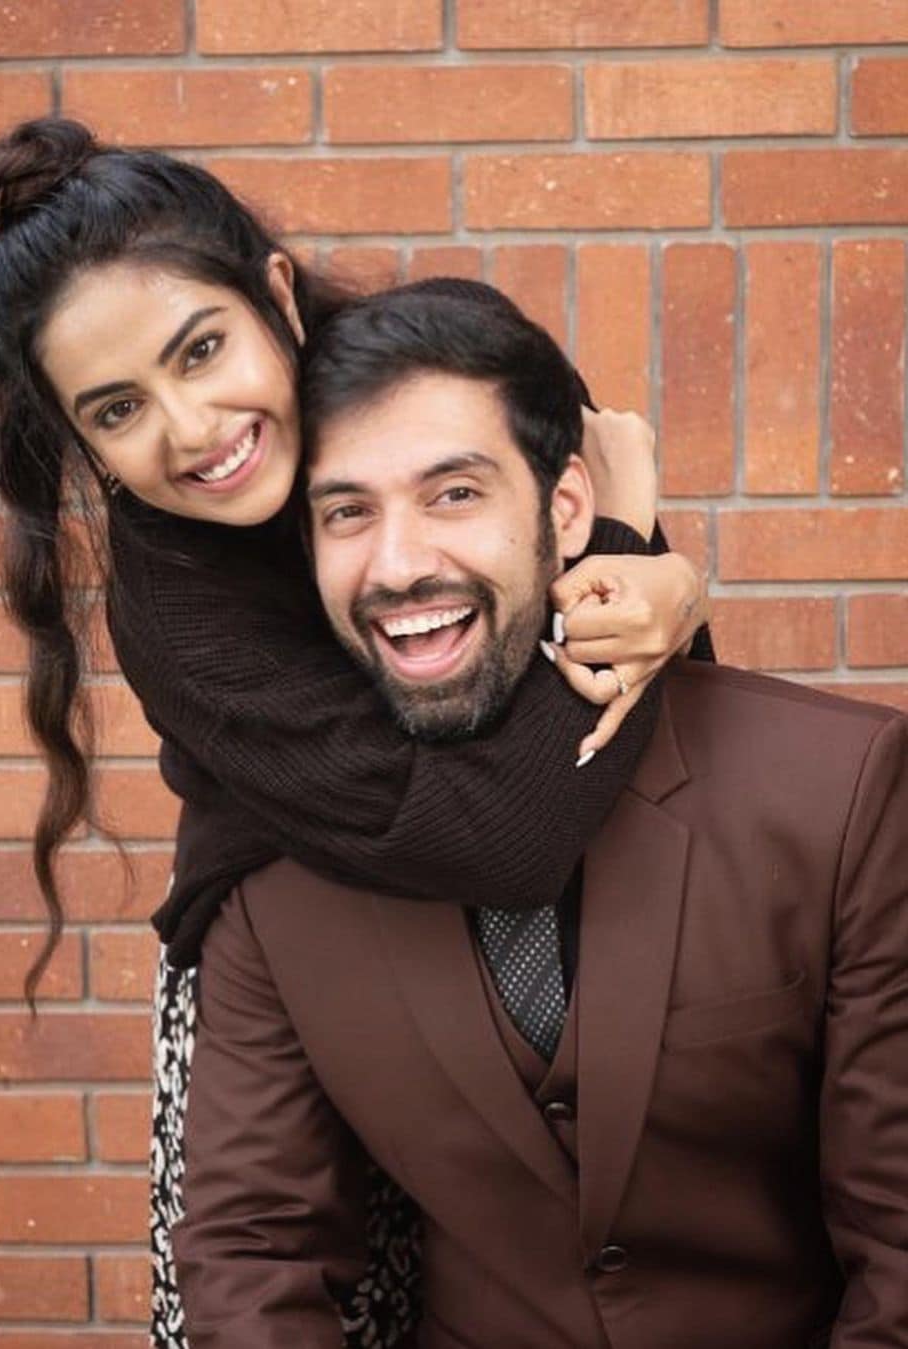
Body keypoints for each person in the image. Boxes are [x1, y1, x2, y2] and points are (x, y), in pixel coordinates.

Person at [0, 119, 710, 1347]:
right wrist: (633, 539)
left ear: (273, 295)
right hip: (307, 949)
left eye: (202, 348)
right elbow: (487, 832)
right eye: (119, 408)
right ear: (79, 439)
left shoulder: (444, 366)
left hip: (542, 914)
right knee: (282, 1301)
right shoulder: (176, 610)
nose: (192, 426)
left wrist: (664, 584)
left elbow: (626, 653)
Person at [178, 282, 908, 1348]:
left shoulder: (840, 786)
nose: (398, 564)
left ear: (567, 510)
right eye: (347, 512)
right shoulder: (276, 858)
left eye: (454, 493)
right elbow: (253, 1252)